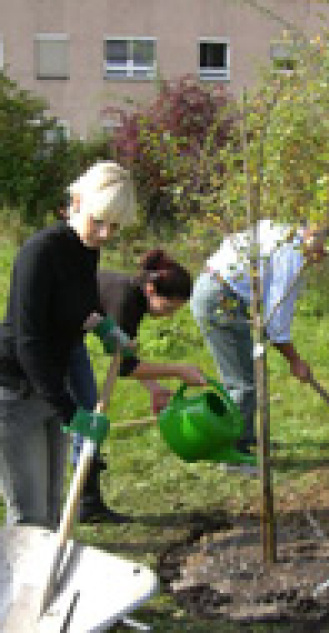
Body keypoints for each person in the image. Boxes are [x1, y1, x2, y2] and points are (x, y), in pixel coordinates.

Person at [0, 160, 137, 529]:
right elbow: (27, 340)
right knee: (30, 517)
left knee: (53, 508)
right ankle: (22, 586)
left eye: (115, 226)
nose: (106, 233)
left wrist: (105, 328)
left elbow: (79, 305)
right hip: (14, 391)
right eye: (99, 221)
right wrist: (70, 412)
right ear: (76, 202)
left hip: (50, 385)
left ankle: (50, 582)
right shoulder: (38, 253)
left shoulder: (85, 249)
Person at [70, 249, 207, 523]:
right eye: (167, 308)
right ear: (150, 289)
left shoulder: (135, 296)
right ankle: (85, 502)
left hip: (73, 341)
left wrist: (154, 388)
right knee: (85, 417)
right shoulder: (125, 300)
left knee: (89, 414)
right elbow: (124, 367)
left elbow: (125, 354)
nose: (168, 316)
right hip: (52, 342)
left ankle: (88, 502)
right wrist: (179, 371)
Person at [190, 219, 329, 470]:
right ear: (311, 237)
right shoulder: (291, 255)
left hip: (220, 292)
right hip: (220, 299)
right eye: (324, 246)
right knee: (243, 383)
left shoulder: (279, 233)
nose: (324, 255)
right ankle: (231, 454)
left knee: (248, 375)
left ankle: (245, 435)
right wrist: (295, 361)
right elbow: (276, 321)